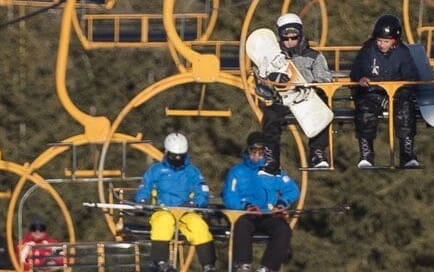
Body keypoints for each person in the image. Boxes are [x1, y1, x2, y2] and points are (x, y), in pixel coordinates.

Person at [258, 14, 335, 172]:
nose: (290, 42)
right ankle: (271, 159)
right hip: (284, 100)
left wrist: (311, 85)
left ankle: (317, 153)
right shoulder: (273, 59)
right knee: (270, 116)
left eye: (294, 38)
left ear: (301, 36)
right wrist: (271, 83)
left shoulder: (313, 56)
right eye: (286, 39)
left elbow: (325, 79)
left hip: (307, 99)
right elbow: (262, 83)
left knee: (321, 110)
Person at [347, 13, 420, 170]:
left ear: (394, 41)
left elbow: (411, 77)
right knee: (365, 112)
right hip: (371, 93)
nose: (381, 45)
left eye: (385, 41)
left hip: (397, 94)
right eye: (379, 41)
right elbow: (356, 71)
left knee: (405, 111)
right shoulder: (368, 50)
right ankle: (366, 154)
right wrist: (361, 79)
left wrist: (400, 91)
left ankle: (407, 154)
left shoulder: (402, 53)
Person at [136, 132, 216, 272]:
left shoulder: (192, 171)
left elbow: (202, 191)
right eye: (174, 157)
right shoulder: (156, 170)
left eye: (181, 157)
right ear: (167, 153)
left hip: (185, 211)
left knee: (199, 226)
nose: (177, 160)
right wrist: (142, 201)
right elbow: (145, 187)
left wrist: (195, 203)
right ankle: (160, 262)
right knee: (163, 223)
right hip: (163, 209)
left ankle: (208, 264)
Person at [223, 132, 298, 272]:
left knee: (283, 229)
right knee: (242, 225)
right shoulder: (237, 172)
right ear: (248, 151)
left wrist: (281, 204)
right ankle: (242, 265)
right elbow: (229, 196)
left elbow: (292, 190)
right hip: (247, 214)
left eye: (261, 152)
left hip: (268, 214)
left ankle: (268, 267)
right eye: (254, 151)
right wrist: (245, 206)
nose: (257, 156)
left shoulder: (273, 171)